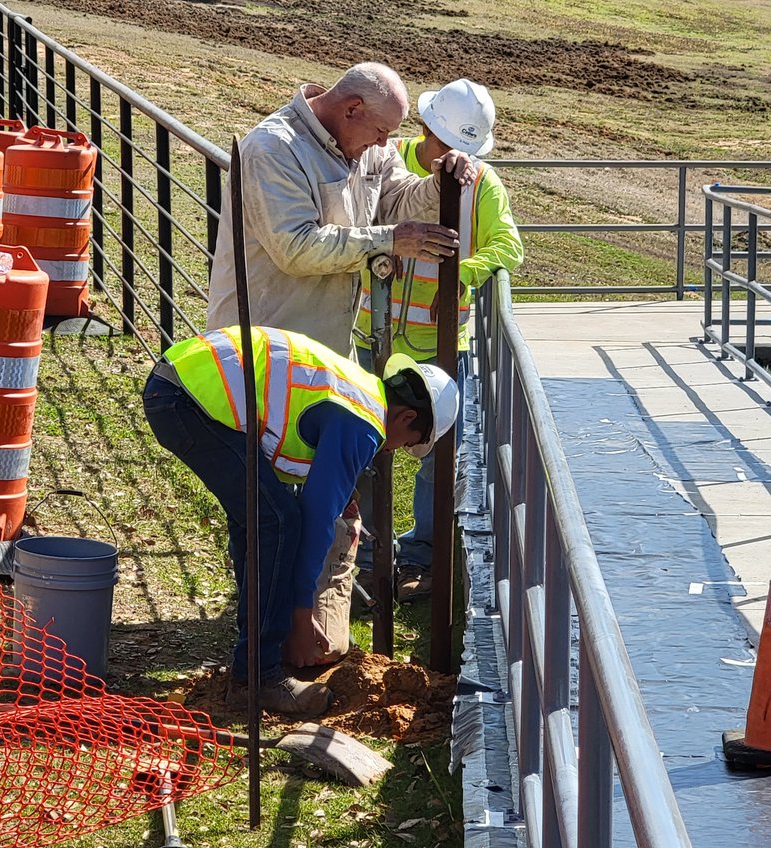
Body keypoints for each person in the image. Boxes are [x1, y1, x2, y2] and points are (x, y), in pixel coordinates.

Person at [142, 325, 459, 717]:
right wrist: (301, 618)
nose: (395, 449)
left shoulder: (359, 393)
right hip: (187, 400)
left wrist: (340, 491)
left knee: (263, 520)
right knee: (276, 524)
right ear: (406, 416)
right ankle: (257, 679)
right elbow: (314, 520)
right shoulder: (364, 423)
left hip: (182, 386)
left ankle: (257, 656)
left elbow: (303, 461)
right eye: (408, 442)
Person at [354, 79, 523, 601]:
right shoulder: (386, 162)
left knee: (436, 453)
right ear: (424, 129)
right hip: (371, 329)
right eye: (450, 146)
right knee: (361, 437)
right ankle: (360, 553)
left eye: (466, 151)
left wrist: (461, 277)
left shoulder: (484, 184)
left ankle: (422, 558)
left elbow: (508, 247)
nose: (457, 160)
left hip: (439, 341)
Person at [206, 62, 477, 357]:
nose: (385, 142)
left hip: (324, 350)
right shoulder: (273, 149)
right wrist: (390, 241)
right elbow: (296, 248)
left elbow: (397, 200)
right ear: (352, 109)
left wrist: (439, 184)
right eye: (382, 130)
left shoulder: (371, 147)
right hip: (261, 352)